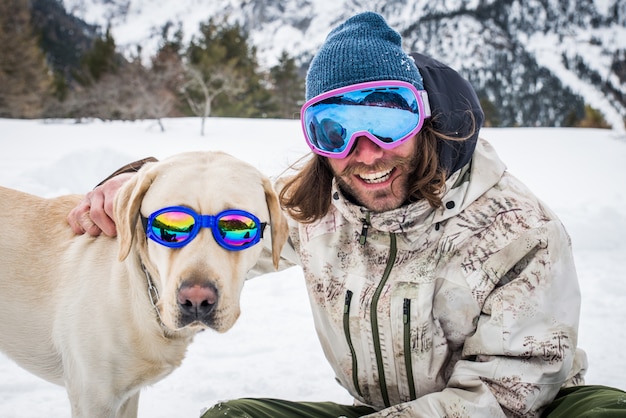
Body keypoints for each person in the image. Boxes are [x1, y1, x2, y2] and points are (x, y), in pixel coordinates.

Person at [68, 11, 626, 418]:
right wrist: (137, 183)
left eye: (386, 122)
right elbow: (222, 220)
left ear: (423, 118)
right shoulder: (318, 206)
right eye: (335, 130)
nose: (365, 152)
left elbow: (505, 399)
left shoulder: (516, 230)